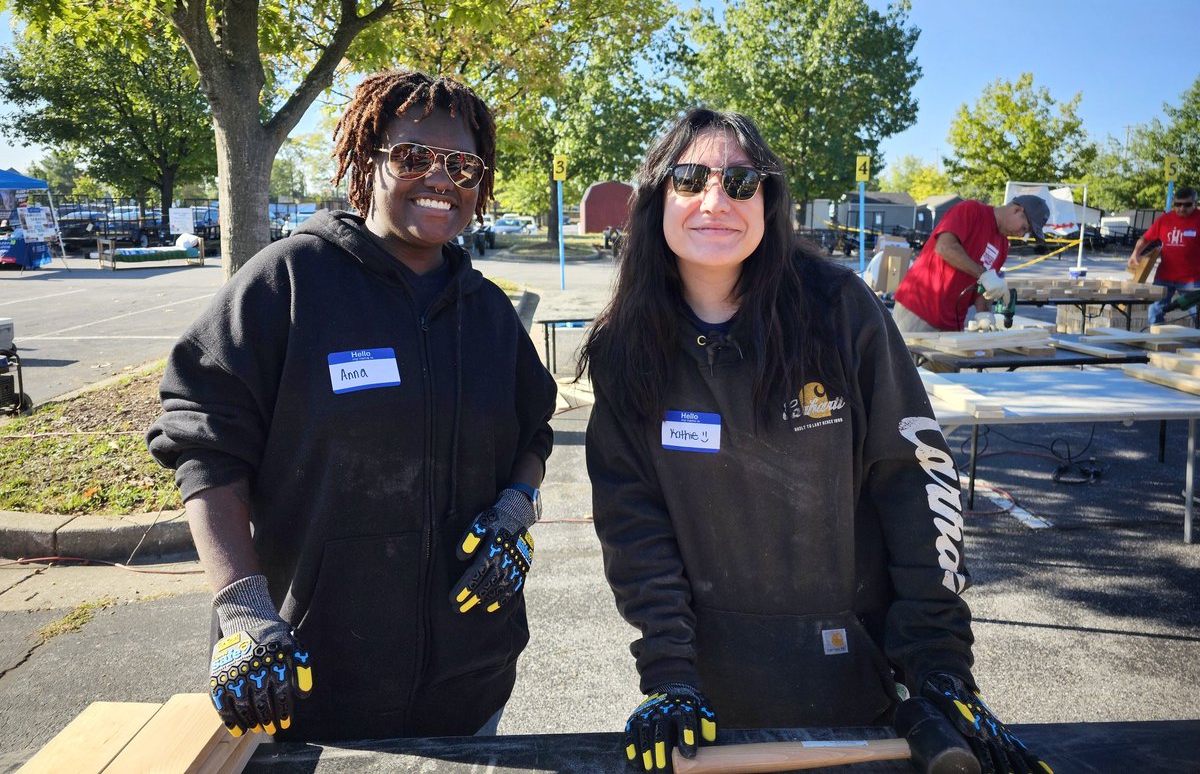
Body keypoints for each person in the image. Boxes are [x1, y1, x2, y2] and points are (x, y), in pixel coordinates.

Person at [578, 108, 1048, 773]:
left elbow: (915, 477)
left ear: (769, 200)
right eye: (689, 179)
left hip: (862, 679)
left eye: (741, 181)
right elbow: (634, 524)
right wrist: (669, 674)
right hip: (709, 691)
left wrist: (938, 663)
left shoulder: (840, 309)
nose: (715, 200)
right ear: (657, 199)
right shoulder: (628, 348)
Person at [147, 70, 558, 742]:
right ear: (367, 164)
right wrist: (243, 607)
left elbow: (532, 432)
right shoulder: (288, 283)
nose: (440, 177)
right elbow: (204, 443)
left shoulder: (486, 312)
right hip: (308, 689)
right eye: (412, 156)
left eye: (462, 164)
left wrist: (515, 511)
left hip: (471, 687)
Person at [892, 194, 1049, 334]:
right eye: (1024, 228)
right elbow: (945, 247)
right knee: (906, 366)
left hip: (953, 323)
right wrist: (983, 274)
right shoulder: (971, 210)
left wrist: (984, 314)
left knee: (946, 367)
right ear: (1017, 210)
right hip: (919, 309)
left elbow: (986, 286)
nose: (1021, 235)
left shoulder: (1002, 245)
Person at [1128, 185, 1200, 326]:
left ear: (1195, 204)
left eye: (1187, 205)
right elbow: (1146, 239)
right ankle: (1156, 338)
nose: (1181, 208)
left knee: (1197, 313)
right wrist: (1135, 253)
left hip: (1192, 278)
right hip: (1164, 276)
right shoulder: (1165, 219)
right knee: (1155, 310)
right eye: (1178, 204)